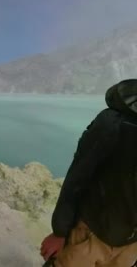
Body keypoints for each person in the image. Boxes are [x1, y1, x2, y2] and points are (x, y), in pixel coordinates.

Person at [41, 79, 137, 267]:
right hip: (90, 235)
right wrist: (60, 232)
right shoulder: (112, 122)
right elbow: (77, 178)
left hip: (130, 246)